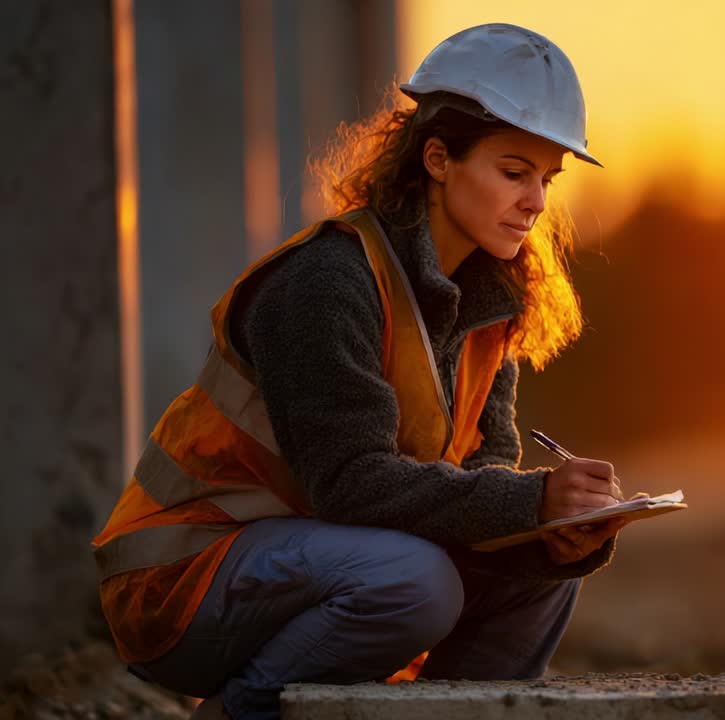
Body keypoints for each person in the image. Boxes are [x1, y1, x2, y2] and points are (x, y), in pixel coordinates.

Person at [91, 23, 627, 720]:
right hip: (182, 576)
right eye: (513, 171)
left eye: (546, 179)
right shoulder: (325, 282)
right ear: (438, 159)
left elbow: (481, 481)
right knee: (418, 583)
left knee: (543, 572)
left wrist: (558, 525)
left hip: (319, 569)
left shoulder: (491, 309)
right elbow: (350, 484)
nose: (536, 202)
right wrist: (531, 501)